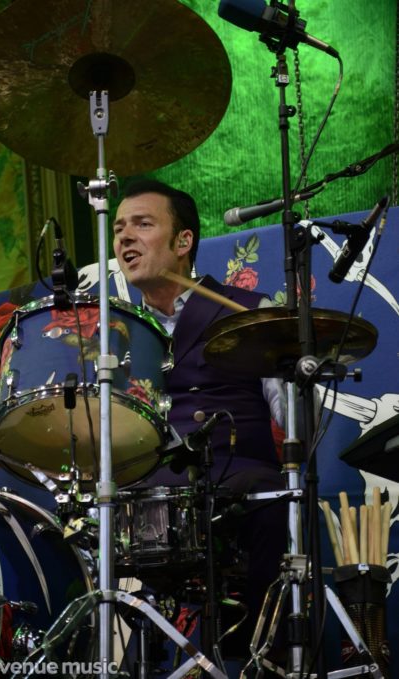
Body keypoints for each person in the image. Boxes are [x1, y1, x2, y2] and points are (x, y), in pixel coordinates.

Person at [112, 179, 288, 668]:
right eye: (119, 227)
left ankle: (252, 656)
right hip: (153, 486)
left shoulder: (248, 312)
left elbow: (295, 419)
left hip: (240, 475)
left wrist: (298, 371)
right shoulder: (118, 336)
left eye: (143, 224)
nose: (125, 237)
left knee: (274, 497)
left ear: (183, 241)